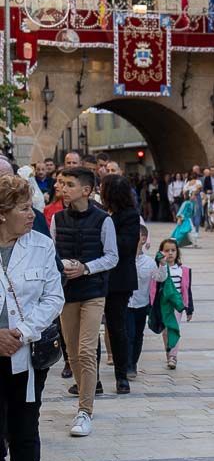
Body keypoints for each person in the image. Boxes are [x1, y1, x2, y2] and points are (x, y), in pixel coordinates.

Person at [0, 175, 64, 461]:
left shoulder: (41, 245)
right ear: (2, 213)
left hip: (25, 355)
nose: (32, 213)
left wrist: (21, 333)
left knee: (25, 425)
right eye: (24, 208)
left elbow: (54, 297)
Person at [52, 168, 119, 437]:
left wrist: (86, 268)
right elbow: (52, 253)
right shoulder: (57, 218)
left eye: (69, 184)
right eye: (62, 183)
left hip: (93, 292)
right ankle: (83, 398)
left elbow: (112, 257)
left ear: (86, 190)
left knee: (86, 351)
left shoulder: (104, 220)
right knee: (71, 353)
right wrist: (62, 267)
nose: (63, 188)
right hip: (66, 293)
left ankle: (84, 411)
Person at [100, 174, 140, 396]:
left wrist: (105, 229)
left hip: (119, 279)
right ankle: (90, 379)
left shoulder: (129, 215)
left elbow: (126, 245)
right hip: (97, 276)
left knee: (117, 328)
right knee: (90, 331)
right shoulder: (100, 212)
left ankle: (121, 376)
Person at [149, 238, 194, 370]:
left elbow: (187, 290)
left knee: (173, 328)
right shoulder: (158, 270)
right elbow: (153, 289)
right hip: (163, 305)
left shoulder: (183, 271)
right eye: (166, 250)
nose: (170, 253)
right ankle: (169, 353)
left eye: (173, 250)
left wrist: (189, 309)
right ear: (161, 253)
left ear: (177, 253)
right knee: (165, 331)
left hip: (176, 306)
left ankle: (173, 356)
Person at [126, 224, 156, 379]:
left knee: (138, 335)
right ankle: (127, 365)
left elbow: (159, 278)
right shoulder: (123, 259)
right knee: (128, 334)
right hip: (126, 303)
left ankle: (133, 363)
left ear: (143, 239)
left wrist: (163, 266)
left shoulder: (149, 262)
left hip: (142, 304)